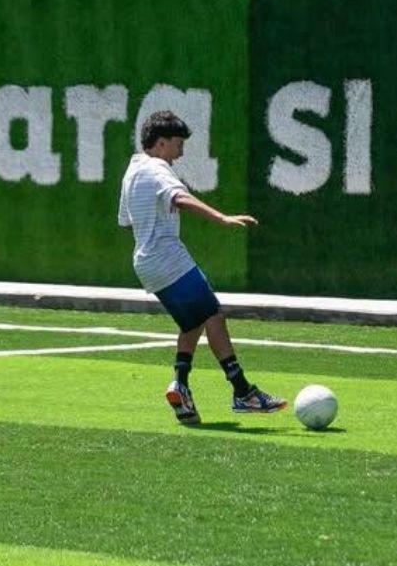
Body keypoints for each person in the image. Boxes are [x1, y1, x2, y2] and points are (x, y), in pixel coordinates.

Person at [119, 110, 286, 425]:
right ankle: (243, 392)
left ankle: (180, 387)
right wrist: (222, 218)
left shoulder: (132, 172)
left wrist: (153, 226)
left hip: (145, 262)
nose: (181, 152)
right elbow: (180, 198)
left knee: (192, 323)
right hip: (168, 257)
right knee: (213, 315)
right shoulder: (157, 168)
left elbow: (126, 222)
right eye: (178, 144)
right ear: (162, 143)